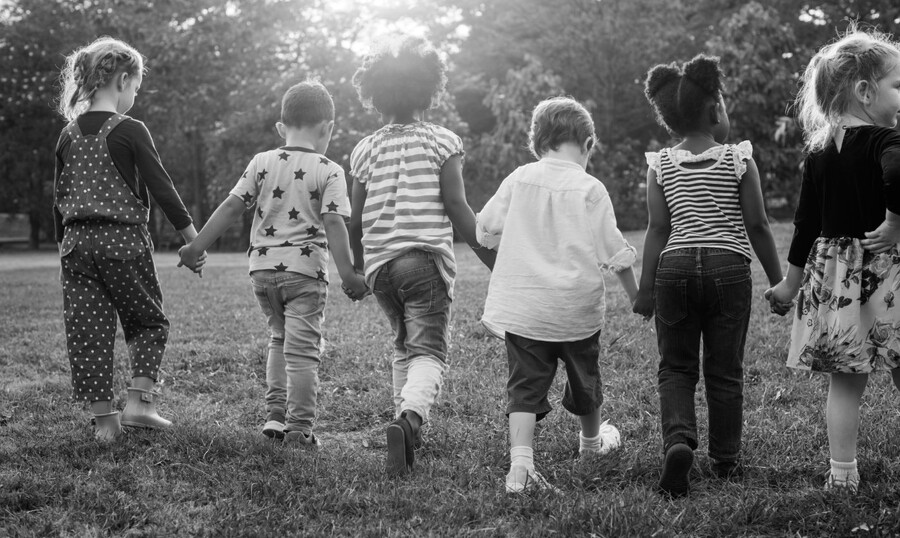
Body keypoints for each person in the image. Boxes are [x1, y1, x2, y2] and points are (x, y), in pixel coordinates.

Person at [179, 80, 367, 447]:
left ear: (283, 127)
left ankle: (275, 418)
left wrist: (194, 246)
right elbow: (334, 223)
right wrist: (349, 275)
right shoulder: (329, 170)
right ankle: (299, 428)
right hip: (304, 275)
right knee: (302, 351)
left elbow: (232, 206)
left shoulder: (262, 162)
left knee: (279, 340)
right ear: (327, 128)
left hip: (263, 274)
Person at [634, 54, 784, 497]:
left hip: (675, 268)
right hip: (728, 269)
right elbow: (758, 225)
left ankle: (679, 441)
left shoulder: (659, 163)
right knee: (724, 369)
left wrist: (645, 291)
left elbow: (658, 228)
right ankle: (726, 459)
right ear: (715, 111)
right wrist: (778, 282)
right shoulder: (739, 159)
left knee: (676, 367)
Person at [476, 96, 638, 493]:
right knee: (586, 379)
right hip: (575, 309)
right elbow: (614, 252)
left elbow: (485, 230)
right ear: (588, 144)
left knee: (524, 387)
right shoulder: (589, 188)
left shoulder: (518, 178)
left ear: (537, 143)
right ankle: (591, 445)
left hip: (525, 307)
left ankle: (521, 467)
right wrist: (637, 297)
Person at [348, 36, 493, 476]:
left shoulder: (364, 149)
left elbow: (354, 220)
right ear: (430, 90)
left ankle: (404, 433)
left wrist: (356, 267)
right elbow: (457, 208)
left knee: (402, 347)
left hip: (379, 270)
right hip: (423, 262)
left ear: (376, 95)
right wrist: (492, 259)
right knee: (429, 350)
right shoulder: (442, 141)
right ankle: (409, 421)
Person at [766, 28, 900, 493]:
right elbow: (899, 174)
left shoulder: (818, 152)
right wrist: (896, 221)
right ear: (866, 92)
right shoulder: (886, 139)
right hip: (886, 271)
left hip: (835, 278)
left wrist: (788, 284)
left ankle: (843, 473)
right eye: (897, 85)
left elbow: (805, 225)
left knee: (845, 380)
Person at [53, 37, 203, 442]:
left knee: (88, 330)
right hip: (122, 242)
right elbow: (163, 188)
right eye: (135, 87)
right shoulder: (131, 130)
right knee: (147, 321)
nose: (135, 95)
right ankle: (140, 403)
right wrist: (193, 242)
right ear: (121, 80)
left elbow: (59, 200)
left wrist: (63, 250)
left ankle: (105, 424)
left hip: (76, 245)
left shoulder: (67, 135)